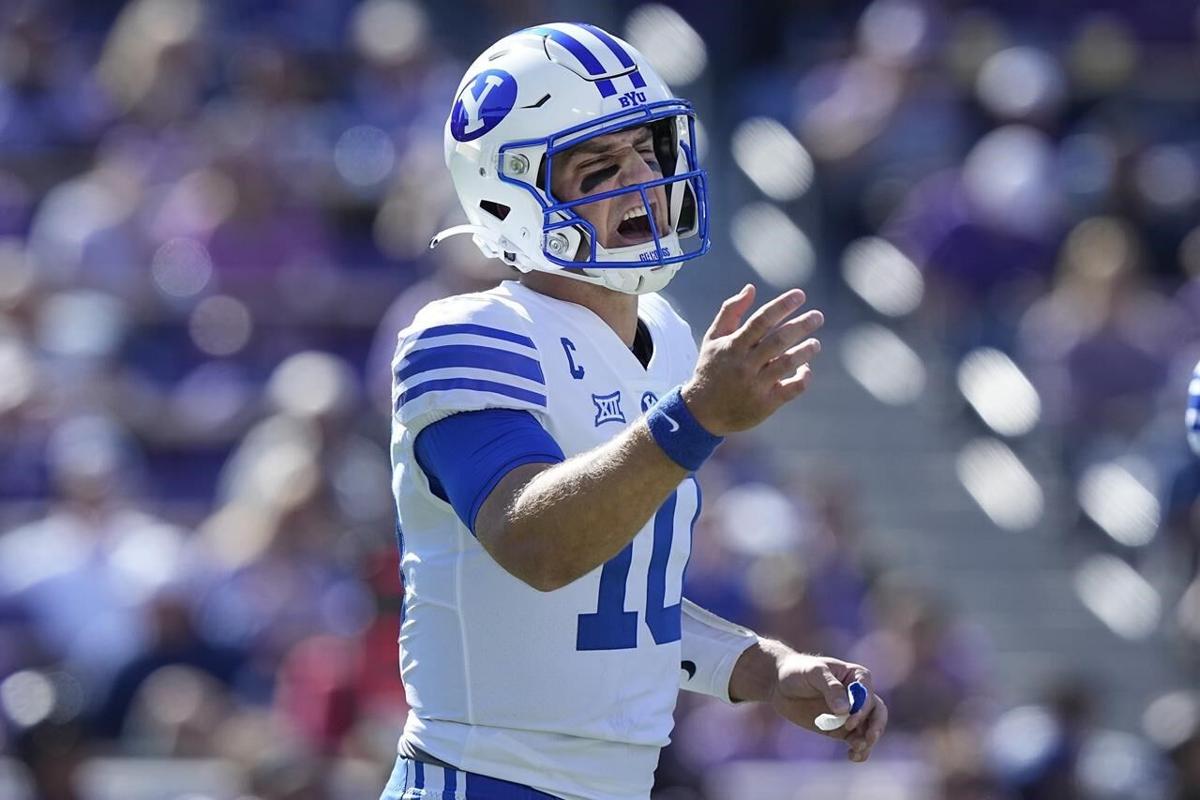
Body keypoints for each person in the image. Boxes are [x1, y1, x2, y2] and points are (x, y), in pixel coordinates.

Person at [382, 22, 888, 800]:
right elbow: (538, 546)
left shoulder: (672, 340)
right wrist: (693, 419)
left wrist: (761, 667)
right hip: (484, 781)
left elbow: (616, 600)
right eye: (599, 168)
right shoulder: (467, 334)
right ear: (508, 190)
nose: (643, 183)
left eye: (648, 154)